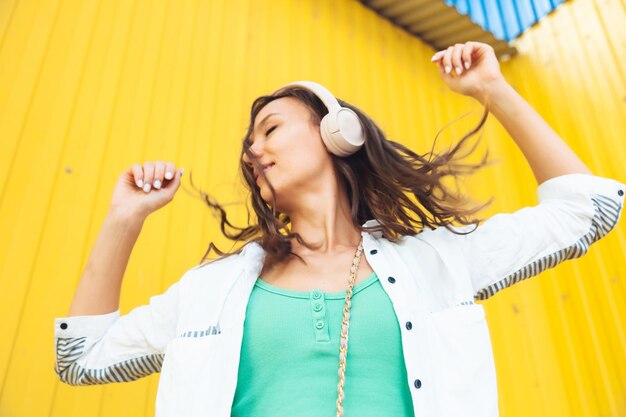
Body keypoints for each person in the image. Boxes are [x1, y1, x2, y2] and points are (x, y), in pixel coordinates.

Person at [54, 41, 624, 417]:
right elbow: (82, 357)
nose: (254, 150)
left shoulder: (434, 262)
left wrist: (492, 90)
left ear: (337, 133)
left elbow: (588, 208)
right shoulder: (215, 289)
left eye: (270, 129)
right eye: (249, 145)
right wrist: (124, 217)